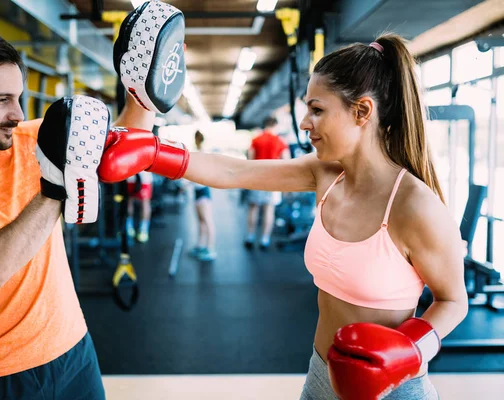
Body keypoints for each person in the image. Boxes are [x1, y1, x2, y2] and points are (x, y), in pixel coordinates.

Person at [98, 33, 469, 400]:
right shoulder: (326, 173)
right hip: (321, 375)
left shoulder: (414, 205)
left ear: (362, 112)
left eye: (317, 109)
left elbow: (453, 300)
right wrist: (153, 152)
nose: (305, 122)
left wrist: (410, 348)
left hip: (393, 389)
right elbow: (234, 173)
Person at [0, 29, 155, 400]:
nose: (17, 114)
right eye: (2, 99)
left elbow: (124, 144)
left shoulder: (30, 138)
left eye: (18, 98)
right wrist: (58, 184)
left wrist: (146, 91)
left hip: (74, 351)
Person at [244, 116, 291, 250]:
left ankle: (250, 236)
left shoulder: (256, 140)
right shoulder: (280, 141)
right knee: (269, 210)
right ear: (275, 125)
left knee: (253, 208)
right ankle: (265, 240)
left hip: (257, 179)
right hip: (273, 180)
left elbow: (250, 160)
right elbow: (287, 163)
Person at [188, 130, 216, 261]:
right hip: (197, 192)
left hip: (203, 192)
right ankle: (200, 245)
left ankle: (210, 249)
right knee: (201, 221)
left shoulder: (202, 153)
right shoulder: (195, 152)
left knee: (208, 221)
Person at [126, 171, 154, 243]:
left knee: (129, 201)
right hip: (144, 176)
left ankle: (129, 228)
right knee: (145, 203)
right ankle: (143, 231)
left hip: (130, 175)